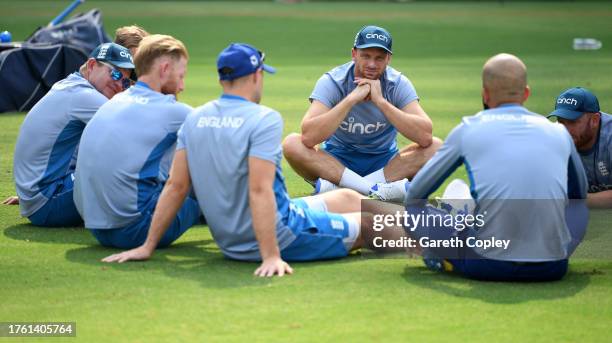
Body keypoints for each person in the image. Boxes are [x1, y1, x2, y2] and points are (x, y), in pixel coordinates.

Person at [102, 43, 402, 277]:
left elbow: (176, 186)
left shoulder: (196, 118)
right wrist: (271, 254)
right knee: (368, 226)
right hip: (278, 234)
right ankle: (445, 238)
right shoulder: (264, 119)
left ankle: (428, 216)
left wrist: (148, 246)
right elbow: (260, 190)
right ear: (256, 75)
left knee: (347, 197)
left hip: (233, 236)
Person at [396, 53, 589, 282]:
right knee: (578, 206)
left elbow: (415, 196)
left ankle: (445, 254)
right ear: (526, 92)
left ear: (485, 94)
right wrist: (562, 251)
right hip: (552, 268)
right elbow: (579, 198)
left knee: (411, 215)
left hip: (488, 265)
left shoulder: (468, 129)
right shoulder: (559, 133)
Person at [282, 25, 441, 202]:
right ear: (354, 54)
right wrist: (351, 99)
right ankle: (375, 190)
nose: (372, 64)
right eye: (366, 56)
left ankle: (342, 190)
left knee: (437, 148)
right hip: (336, 163)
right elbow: (309, 136)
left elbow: (425, 136)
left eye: (379, 58)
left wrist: (381, 102)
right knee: (292, 143)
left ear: (388, 59)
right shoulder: (333, 81)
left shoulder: (398, 83)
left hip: (385, 164)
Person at [73, 34, 200, 248]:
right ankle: (253, 231)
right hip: (136, 229)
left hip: (97, 229)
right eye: (181, 76)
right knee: (209, 165)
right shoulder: (172, 111)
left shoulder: (113, 102)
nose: (182, 86)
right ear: (164, 68)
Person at [8, 43, 134, 227]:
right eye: (115, 74)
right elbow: (136, 131)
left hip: (39, 196)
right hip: (47, 202)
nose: (119, 85)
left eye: (125, 81)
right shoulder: (83, 96)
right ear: (92, 65)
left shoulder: (69, 85)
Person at [548, 87, 612, 208]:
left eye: (572, 122)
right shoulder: (553, 137)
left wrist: (578, 201)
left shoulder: (609, 139)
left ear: (594, 120)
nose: (564, 129)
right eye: (561, 121)